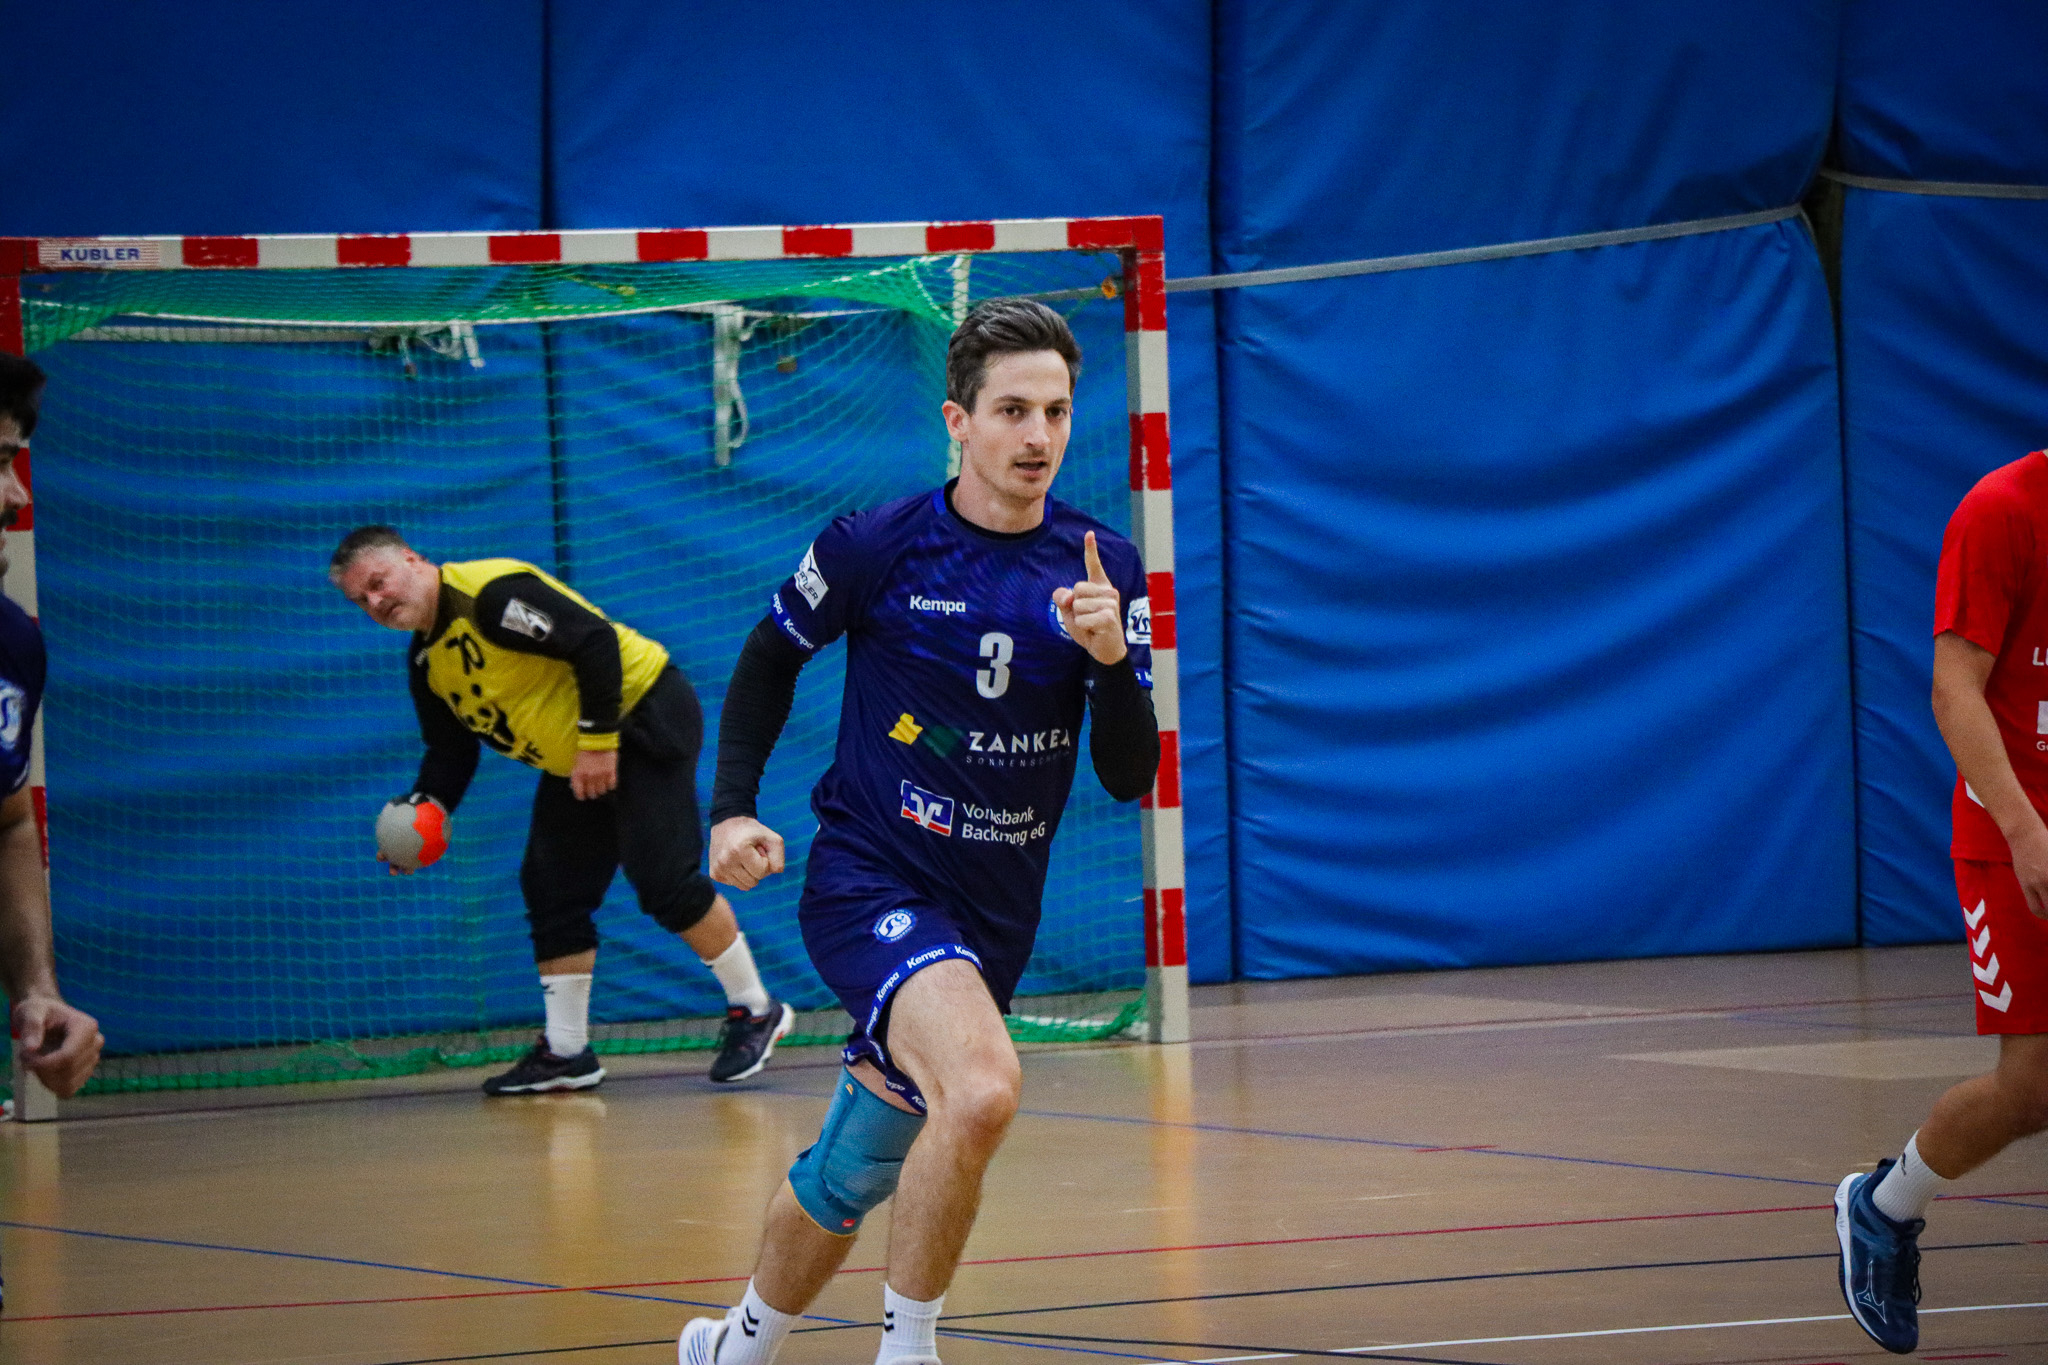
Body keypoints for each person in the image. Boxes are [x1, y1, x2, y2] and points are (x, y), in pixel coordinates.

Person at [677, 298, 1160, 1365]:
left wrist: (1108, 663)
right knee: (981, 1091)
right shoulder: (877, 545)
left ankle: (732, 1348)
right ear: (958, 420)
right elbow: (767, 657)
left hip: (994, 915)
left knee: (857, 1163)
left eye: (1056, 411)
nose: (1037, 435)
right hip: (872, 880)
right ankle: (909, 1352)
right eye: (1012, 410)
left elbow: (1129, 777)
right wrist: (732, 809)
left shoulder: (1103, 567)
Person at [330, 527, 792, 1093]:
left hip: (642, 714)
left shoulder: (489, 596)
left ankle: (757, 1009)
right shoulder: (428, 661)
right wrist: (421, 815)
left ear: (411, 558)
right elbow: (450, 752)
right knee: (551, 890)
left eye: (378, 582)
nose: (375, 601)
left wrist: (598, 740)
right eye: (361, 599)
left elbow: (593, 641)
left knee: (664, 881)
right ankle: (567, 1051)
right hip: (580, 756)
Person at [1835, 446, 2048, 1354]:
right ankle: (1883, 1207)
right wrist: (2025, 828)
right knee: (2032, 1086)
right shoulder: (2003, 511)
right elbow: (1954, 688)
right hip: (2013, 834)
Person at [0, 355, 103, 1121]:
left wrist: (36, 987)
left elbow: (6, 823)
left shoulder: (12, 644)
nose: (17, 495)